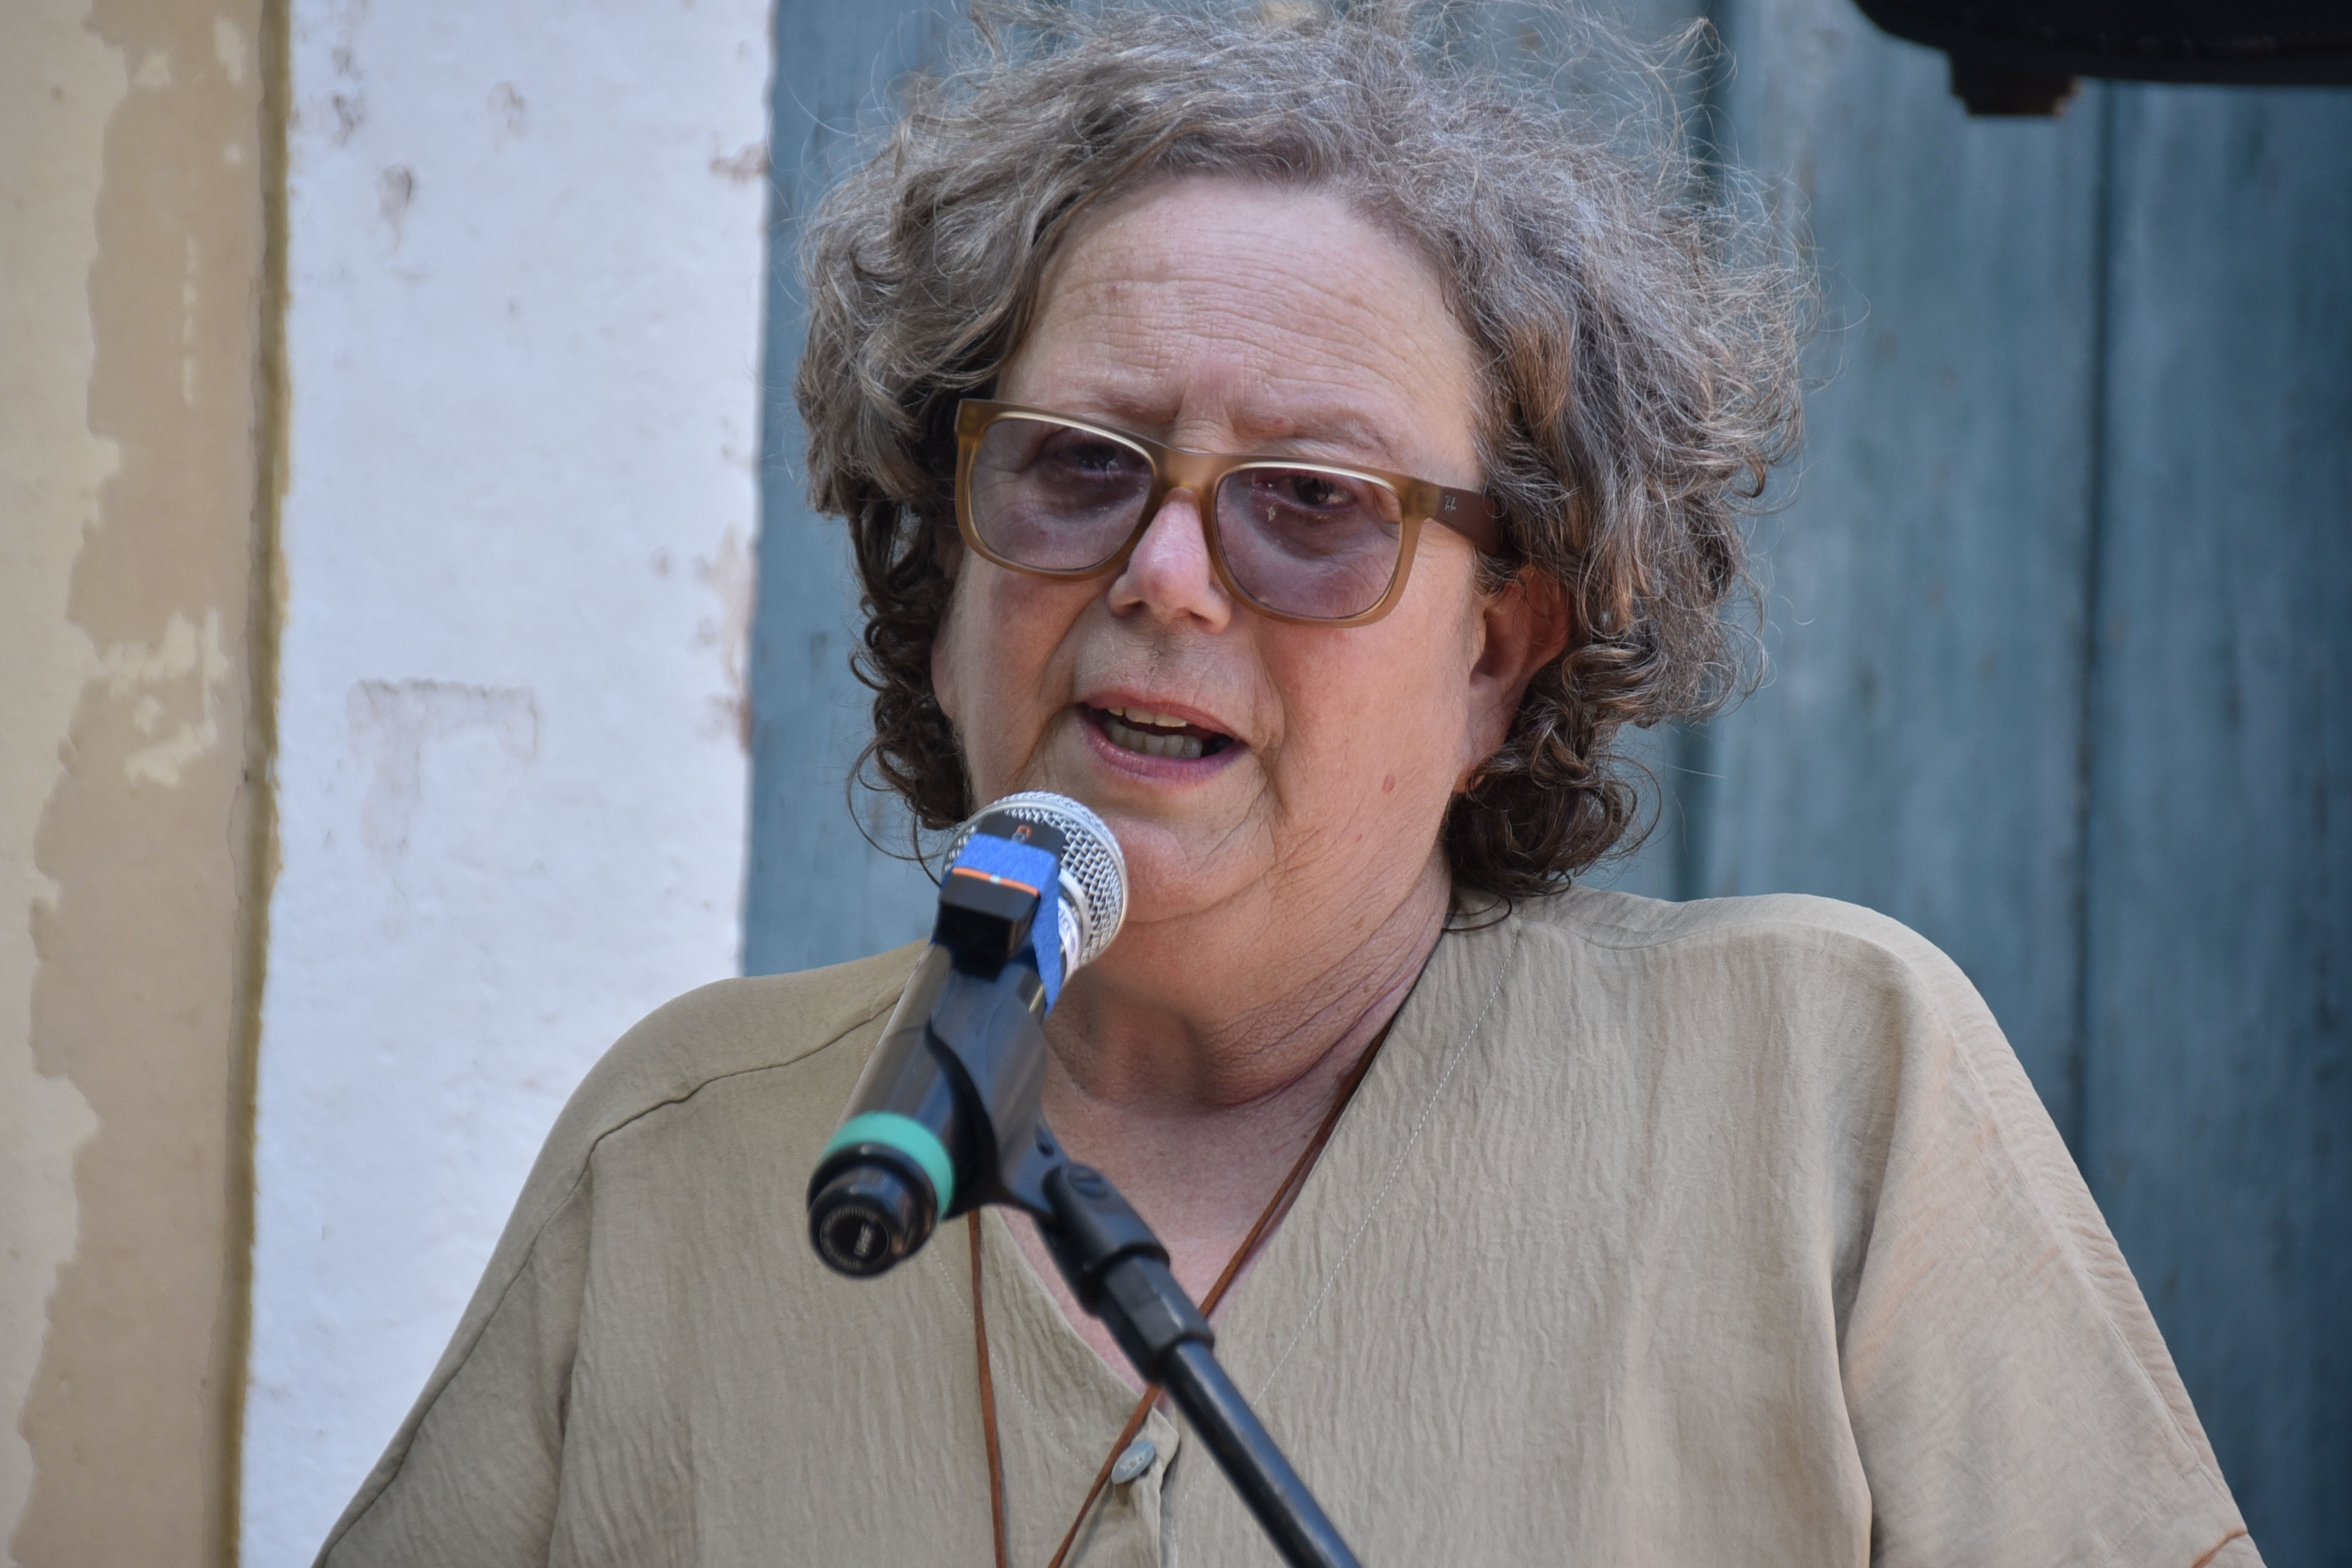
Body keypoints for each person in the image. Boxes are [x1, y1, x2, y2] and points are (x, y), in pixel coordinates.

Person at [316, 5, 2259, 1564]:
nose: (1165, 574)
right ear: (947, 568)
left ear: (1500, 650)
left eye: (1312, 504)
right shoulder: (680, 1157)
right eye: (1079, 466)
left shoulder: (1823, 1097)